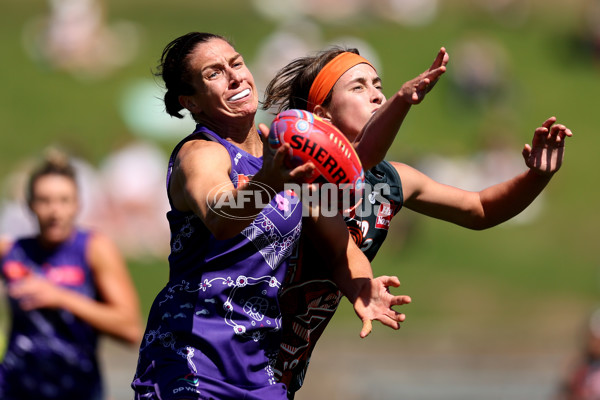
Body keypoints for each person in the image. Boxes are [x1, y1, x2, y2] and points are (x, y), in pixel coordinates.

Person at [262, 46, 572, 397]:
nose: (376, 93)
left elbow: (481, 209)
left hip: (280, 374)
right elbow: (353, 168)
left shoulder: (393, 181)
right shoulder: (298, 174)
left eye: (378, 84)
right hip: (231, 353)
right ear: (323, 114)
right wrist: (402, 101)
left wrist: (537, 176)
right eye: (359, 87)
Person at [130, 32, 412, 400]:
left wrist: (361, 286)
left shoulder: (282, 153)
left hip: (258, 363)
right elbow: (220, 216)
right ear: (191, 101)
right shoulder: (200, 154)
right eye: (213, 74)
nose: (235, 77)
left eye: (236, 63)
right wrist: (269, 181)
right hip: (189, 357)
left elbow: (338, 235)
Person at [0, 148, 143, 400]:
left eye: (64, 200)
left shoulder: (93, 249)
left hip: (76, 388)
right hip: (14, 387)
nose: (55, 211)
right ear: (30, 205)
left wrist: (59, 297)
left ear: (77, 205)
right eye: (45, 200)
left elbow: (130, 329)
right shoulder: (12, 251)